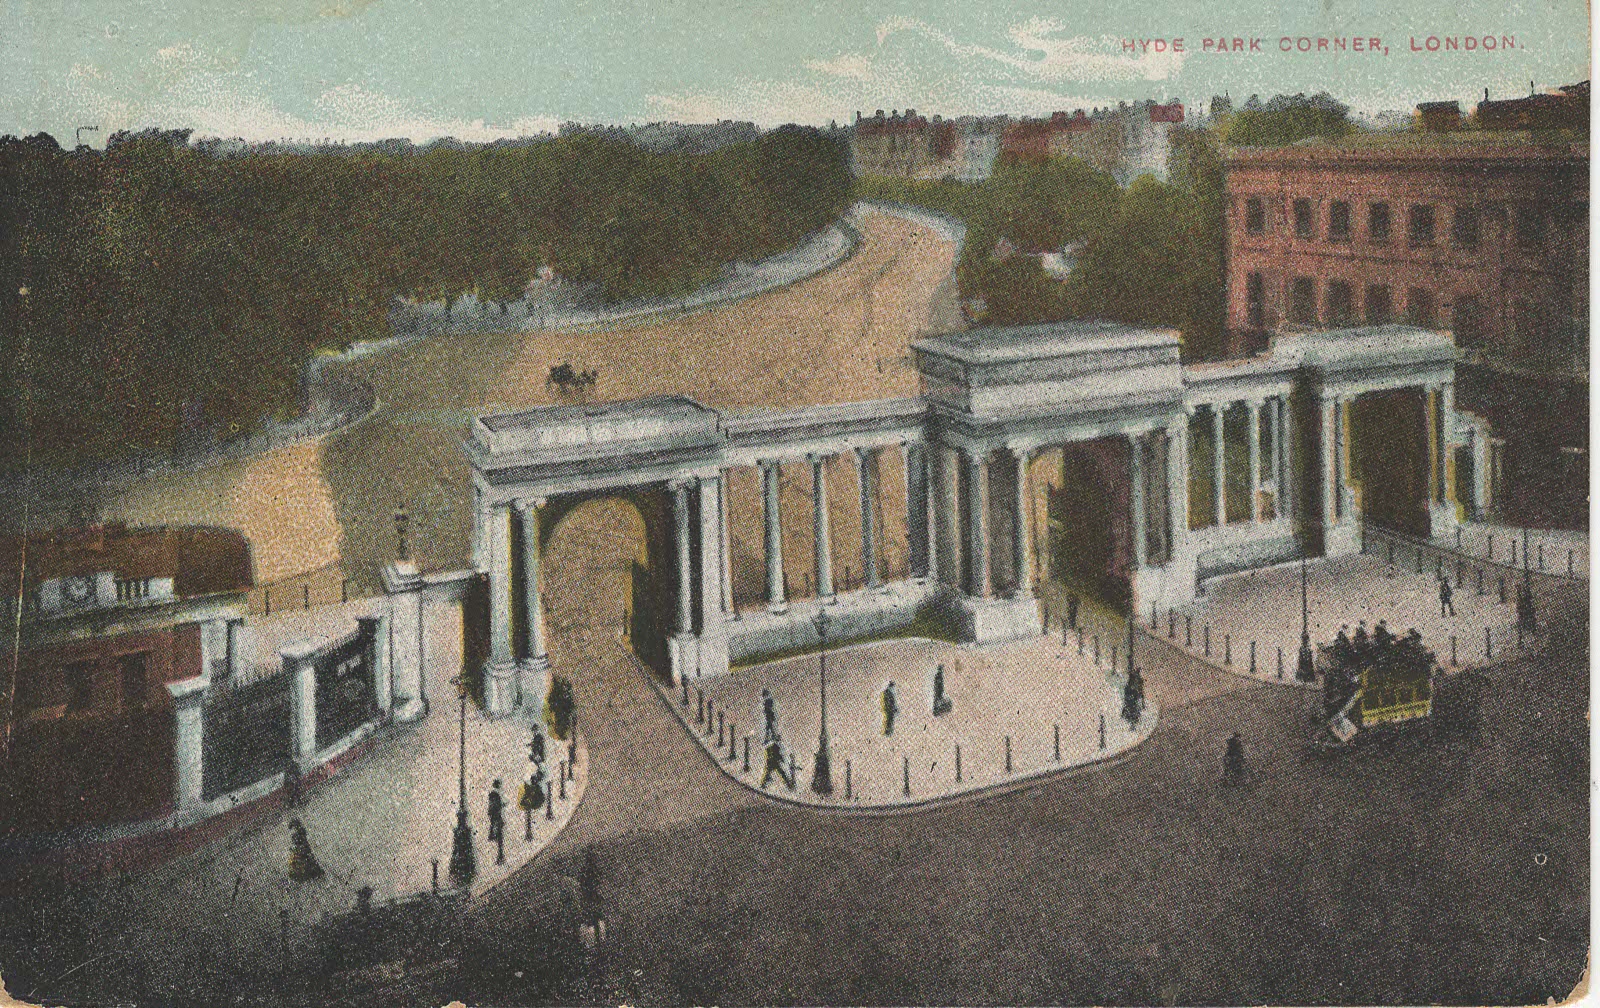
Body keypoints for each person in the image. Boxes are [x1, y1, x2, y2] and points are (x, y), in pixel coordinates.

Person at [487, 780, 506, 864]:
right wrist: (502, 805)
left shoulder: (492, 794)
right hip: (497, 815)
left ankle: (492, 835)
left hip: (493, 814)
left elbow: (492, 805)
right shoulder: (497, 794)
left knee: (493, 825)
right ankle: (500, 855)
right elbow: (497, 805)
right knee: (499, 834)